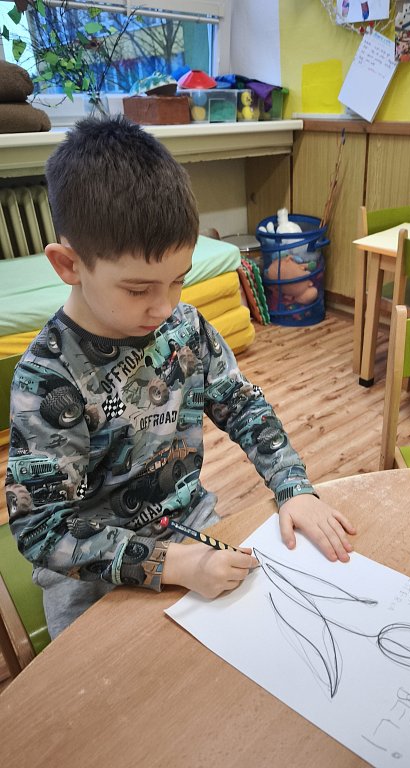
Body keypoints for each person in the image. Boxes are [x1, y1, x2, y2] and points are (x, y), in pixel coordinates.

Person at [6, 115, 356, 639]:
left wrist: (293, 487)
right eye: (138, 289)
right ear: (68, 265)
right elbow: (41, 529)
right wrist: (171, 564)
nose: (164, 307)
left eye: (178, 281)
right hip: (90, 573)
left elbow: (243, 405)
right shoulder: (48, 379)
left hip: (191, 526)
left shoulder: (184, 328)